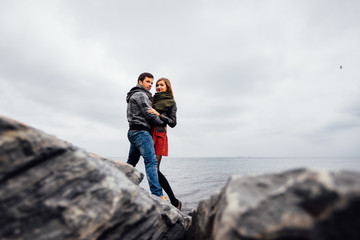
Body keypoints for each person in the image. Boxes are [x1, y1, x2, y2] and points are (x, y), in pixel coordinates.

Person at [126, 72, 165, 199]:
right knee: (151, 162)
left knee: (131, 162)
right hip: (141, 132)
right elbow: (150, 115)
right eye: (148, 82)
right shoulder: (141, 95)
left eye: (152, 83)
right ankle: (158, 196)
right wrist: (163, 121)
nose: (150, 85)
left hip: (132, 132)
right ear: (140, 81)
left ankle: (122, 185)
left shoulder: (134, 94)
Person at [147, 78, 182, 210]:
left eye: (161, 85)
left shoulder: (171, 102)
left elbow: (173, 123)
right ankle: (161, 197)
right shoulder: (151, 99)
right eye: (157, 85)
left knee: (155, 168)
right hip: (149, 133)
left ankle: (174, 201)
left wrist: (159, 114)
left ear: (167, 87)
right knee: (151, 167)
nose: (158, 87)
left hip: (160, 134)